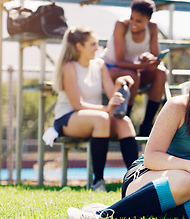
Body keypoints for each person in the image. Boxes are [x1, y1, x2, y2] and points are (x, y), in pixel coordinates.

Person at [67, 49, 190, 219]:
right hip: (147, 179)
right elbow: (151, 158)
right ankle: (104, 215)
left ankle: (131, 213)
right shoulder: (177, 107)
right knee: (185, 180)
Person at [52, 27, 138, 192]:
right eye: (92, 44)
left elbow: (112, 94)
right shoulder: (69, 67)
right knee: (102, 119)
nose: (97, 48)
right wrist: (106, 109)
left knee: (125, 123)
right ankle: (98, 181)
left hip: (98, 118)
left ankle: (136, 180)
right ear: (79, 46)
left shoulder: (99, 65)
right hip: (68, 118)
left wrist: (120, 84)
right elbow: (77, 105)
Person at [100, 0, 167, 137]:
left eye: (139, 21)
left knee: (161, 73)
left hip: (131, 68)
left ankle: (147, 125)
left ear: (148, 19)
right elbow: (119, 61)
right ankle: (125, 121)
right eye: (132, 18)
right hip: (109, 68)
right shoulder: (121, 25)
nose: (133, 23)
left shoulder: (152, 28)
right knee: (133, 75)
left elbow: (155, 56)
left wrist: (148, 58)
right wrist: (144, 65)